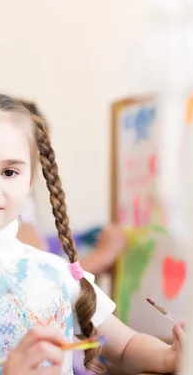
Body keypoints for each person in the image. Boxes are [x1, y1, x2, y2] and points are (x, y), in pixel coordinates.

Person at [0, 92, 184, 374]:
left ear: (30, 181)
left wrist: (172, 356)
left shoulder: (54, 272)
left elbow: (126, 345)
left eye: (9, 172)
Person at [15, 101, 127, 277]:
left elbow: (33, 252)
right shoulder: (11, 205)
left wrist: (75, 240)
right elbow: (41, 279)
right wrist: (104, 255)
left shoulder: (23, 204)